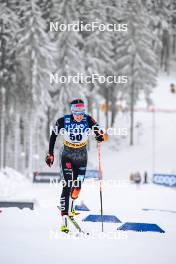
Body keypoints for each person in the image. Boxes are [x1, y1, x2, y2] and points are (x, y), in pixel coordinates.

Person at [45, 99, 107, 233]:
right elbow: (53, 136)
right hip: (67, 154)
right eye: (76, 112)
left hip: (81, 155)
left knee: (77, 186)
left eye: (81, 112)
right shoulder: (63, 121)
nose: (79, 115)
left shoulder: (88, 119)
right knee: (67, 185)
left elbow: (101, 133)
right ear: (72, 111)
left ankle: (72, 208)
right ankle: (64, 219)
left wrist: (100, 136)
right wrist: (50, 154)